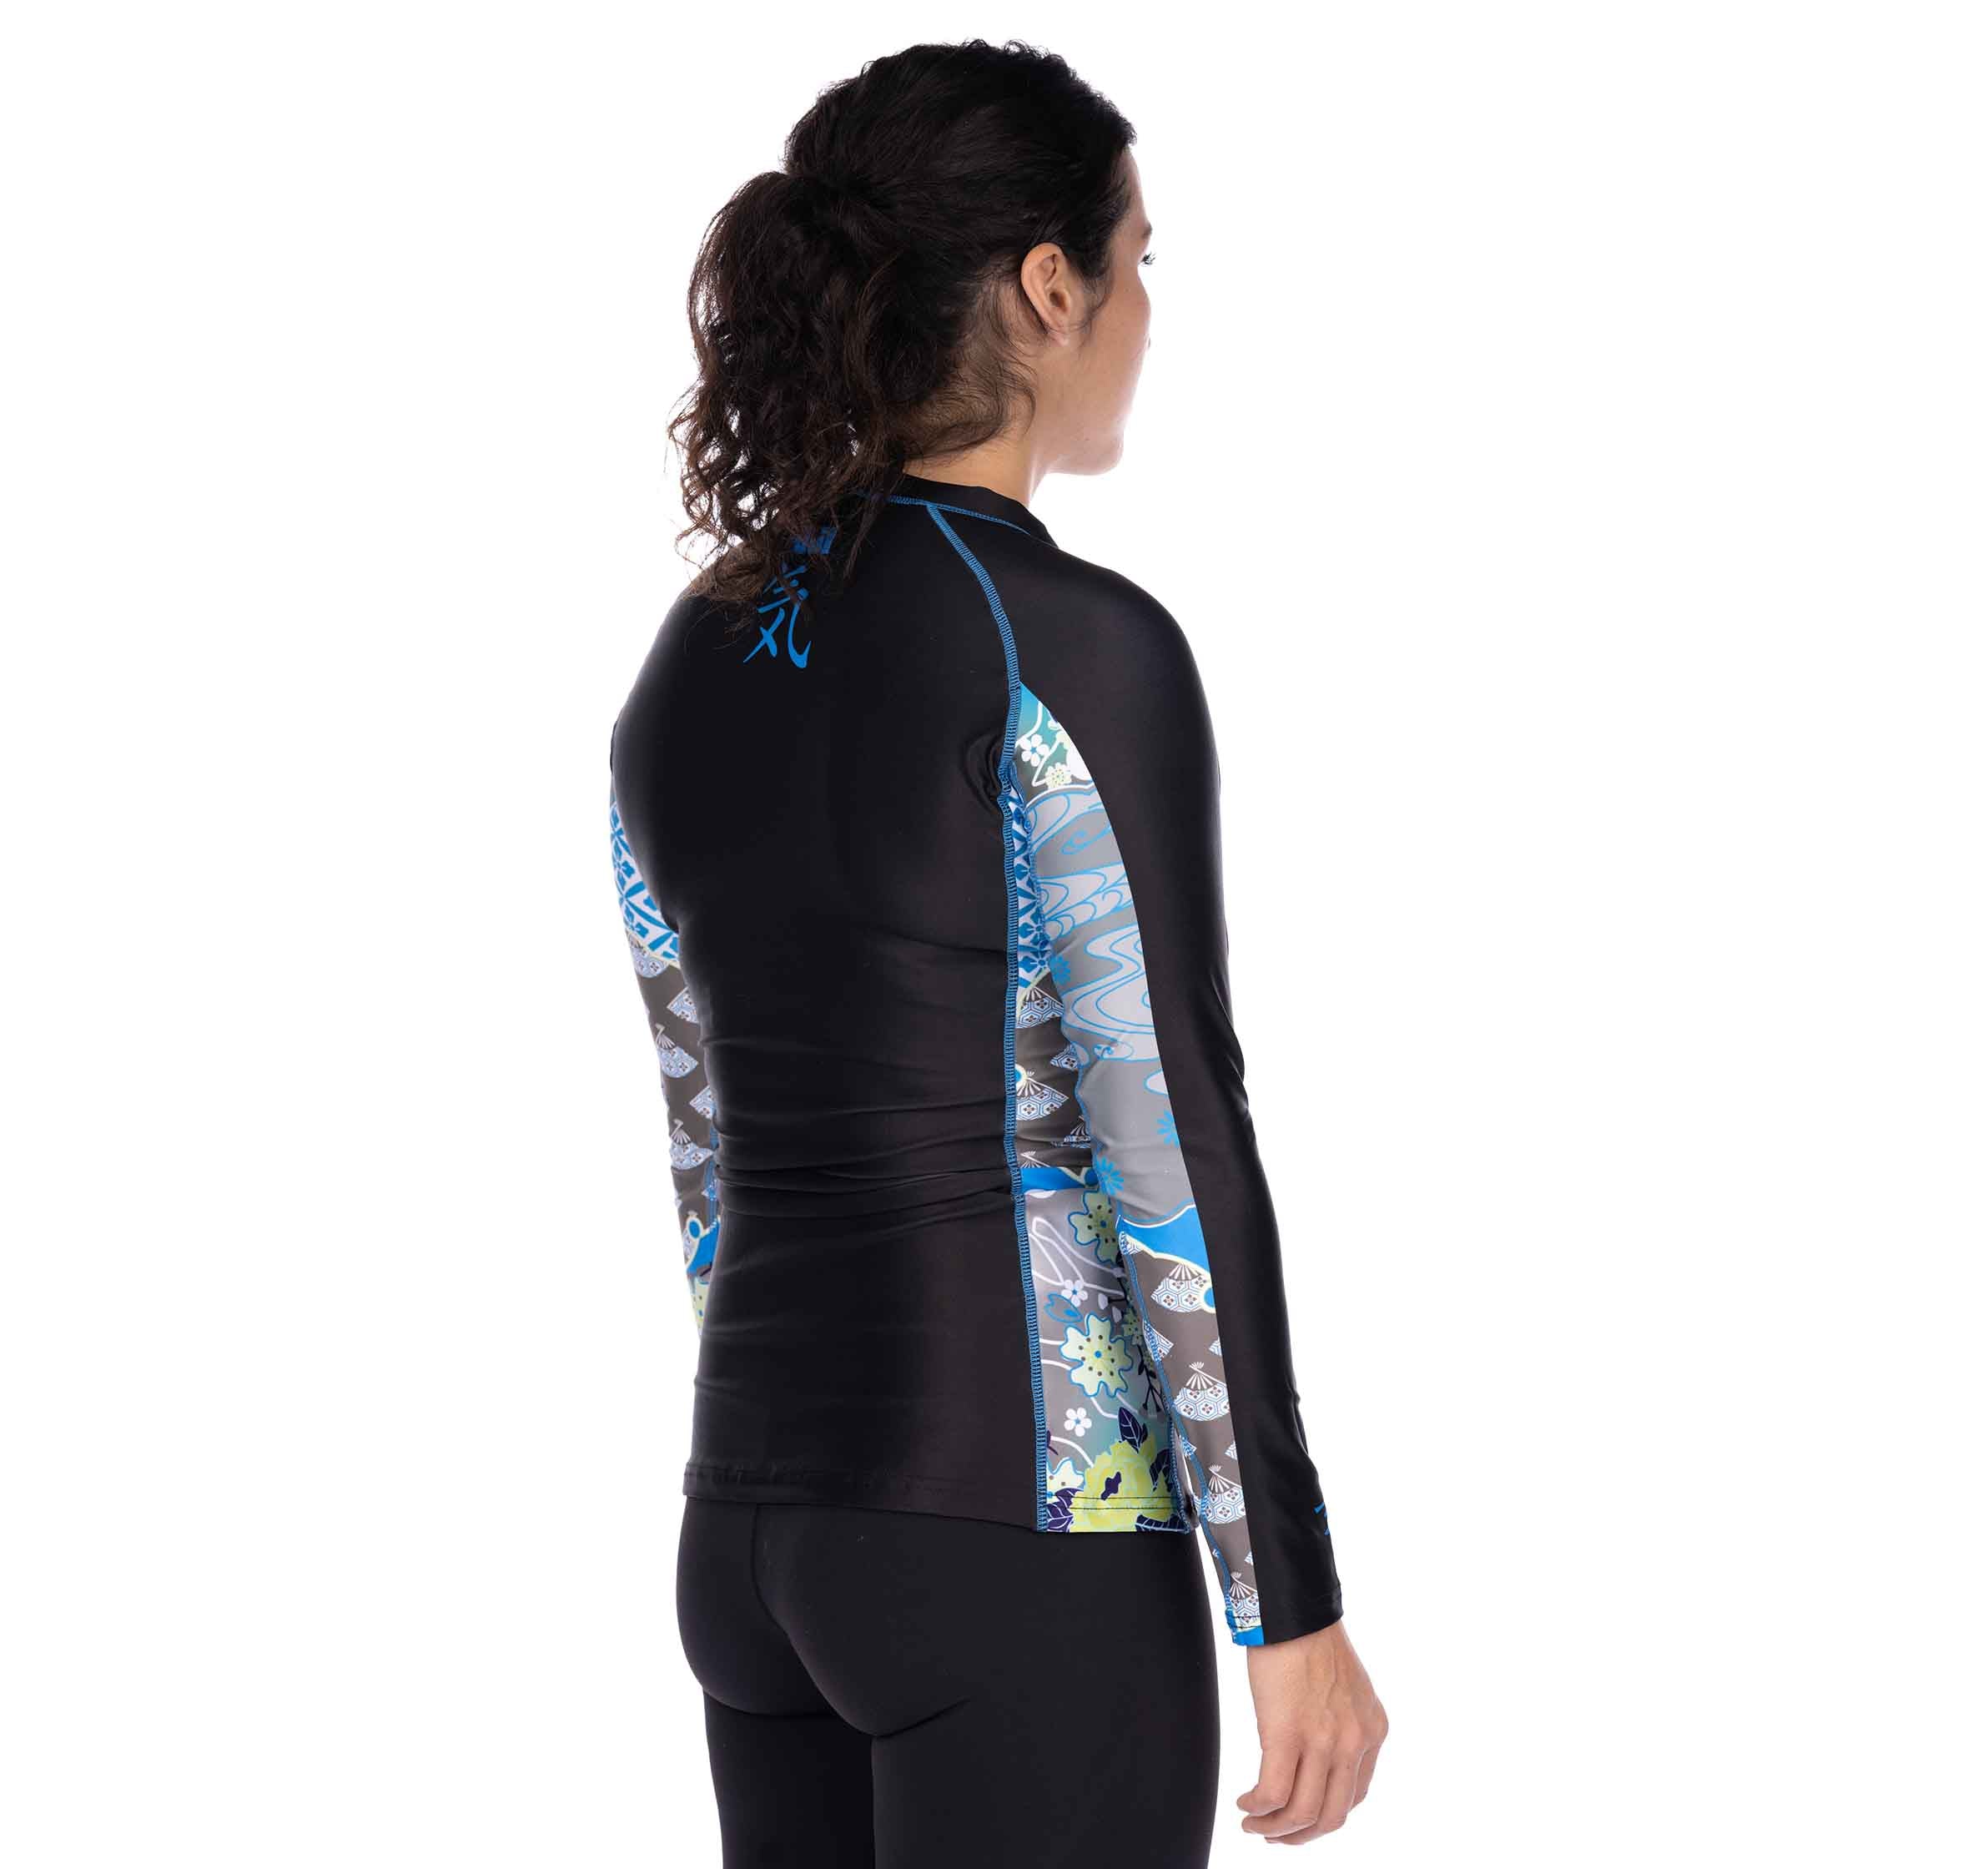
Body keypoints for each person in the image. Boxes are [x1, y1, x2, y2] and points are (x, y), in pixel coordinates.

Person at [608, 38, 1388, 1866]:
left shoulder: (693, 654)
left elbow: (705, 1143)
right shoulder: (1069, 641)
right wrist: (1286, 1597)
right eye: (1137, 258)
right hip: (1017, 1538)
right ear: (1048, 286)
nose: (1146, 307)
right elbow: (1171, 1126)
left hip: (750, 1533)